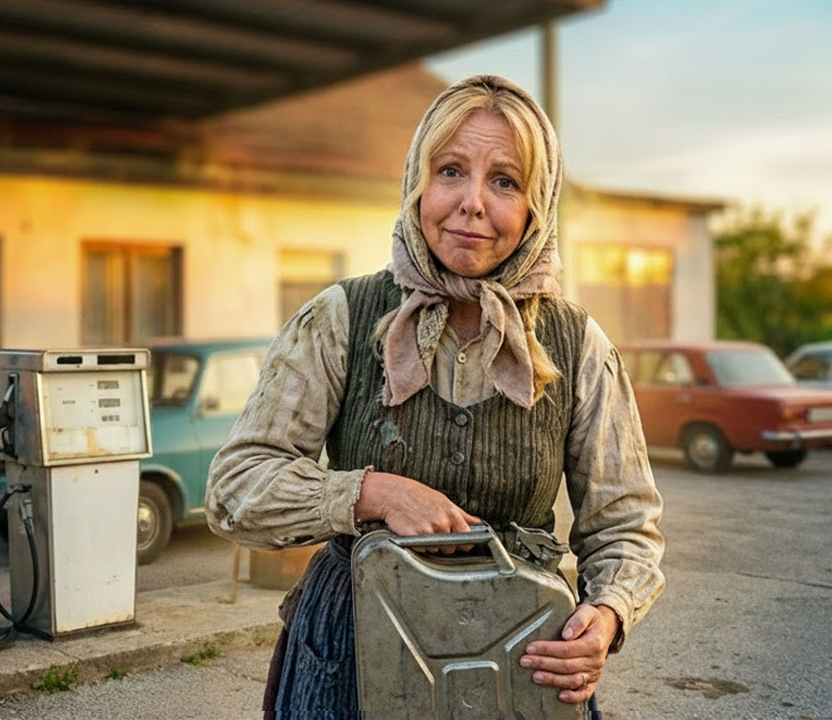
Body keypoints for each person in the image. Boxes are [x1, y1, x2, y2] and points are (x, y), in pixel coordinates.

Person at [205, 74, 665, 720]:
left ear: (537, 207)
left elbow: (626, 525)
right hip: (352, 653)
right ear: (416, 184)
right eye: (450, 171)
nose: (472, 203)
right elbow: (234, 490)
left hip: (518, 661)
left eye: (505, 181)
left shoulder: (578, 343)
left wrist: (608, 613)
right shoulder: (341, 317)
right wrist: (370, 494)